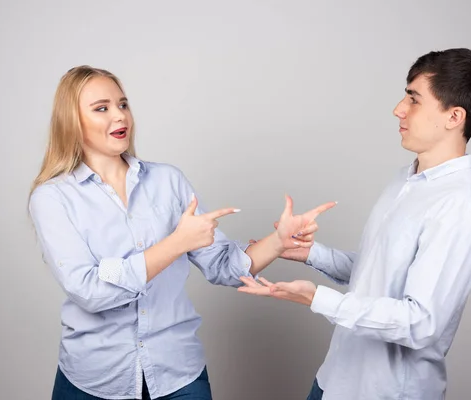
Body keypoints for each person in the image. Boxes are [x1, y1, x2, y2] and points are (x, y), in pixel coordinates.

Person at [28, 65, 336, 400]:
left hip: (178, 373)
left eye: (123, 104)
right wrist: (176, 244)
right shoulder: (52, 197)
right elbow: (89, 291)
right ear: (71, 121)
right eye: (102, 108)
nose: (120, 116)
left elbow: (222, 265)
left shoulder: (168, 181)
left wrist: (278, 242)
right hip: (93, 380)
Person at [238, 48, 471, 400]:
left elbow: (420, 322)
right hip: (334, 378)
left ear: (454, 116)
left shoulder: (460, 204)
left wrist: (318, 299)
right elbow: (382, 274)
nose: (399, 109)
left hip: (384, 392)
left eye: (414, 99)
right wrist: (311, 253)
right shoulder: (406, 181)